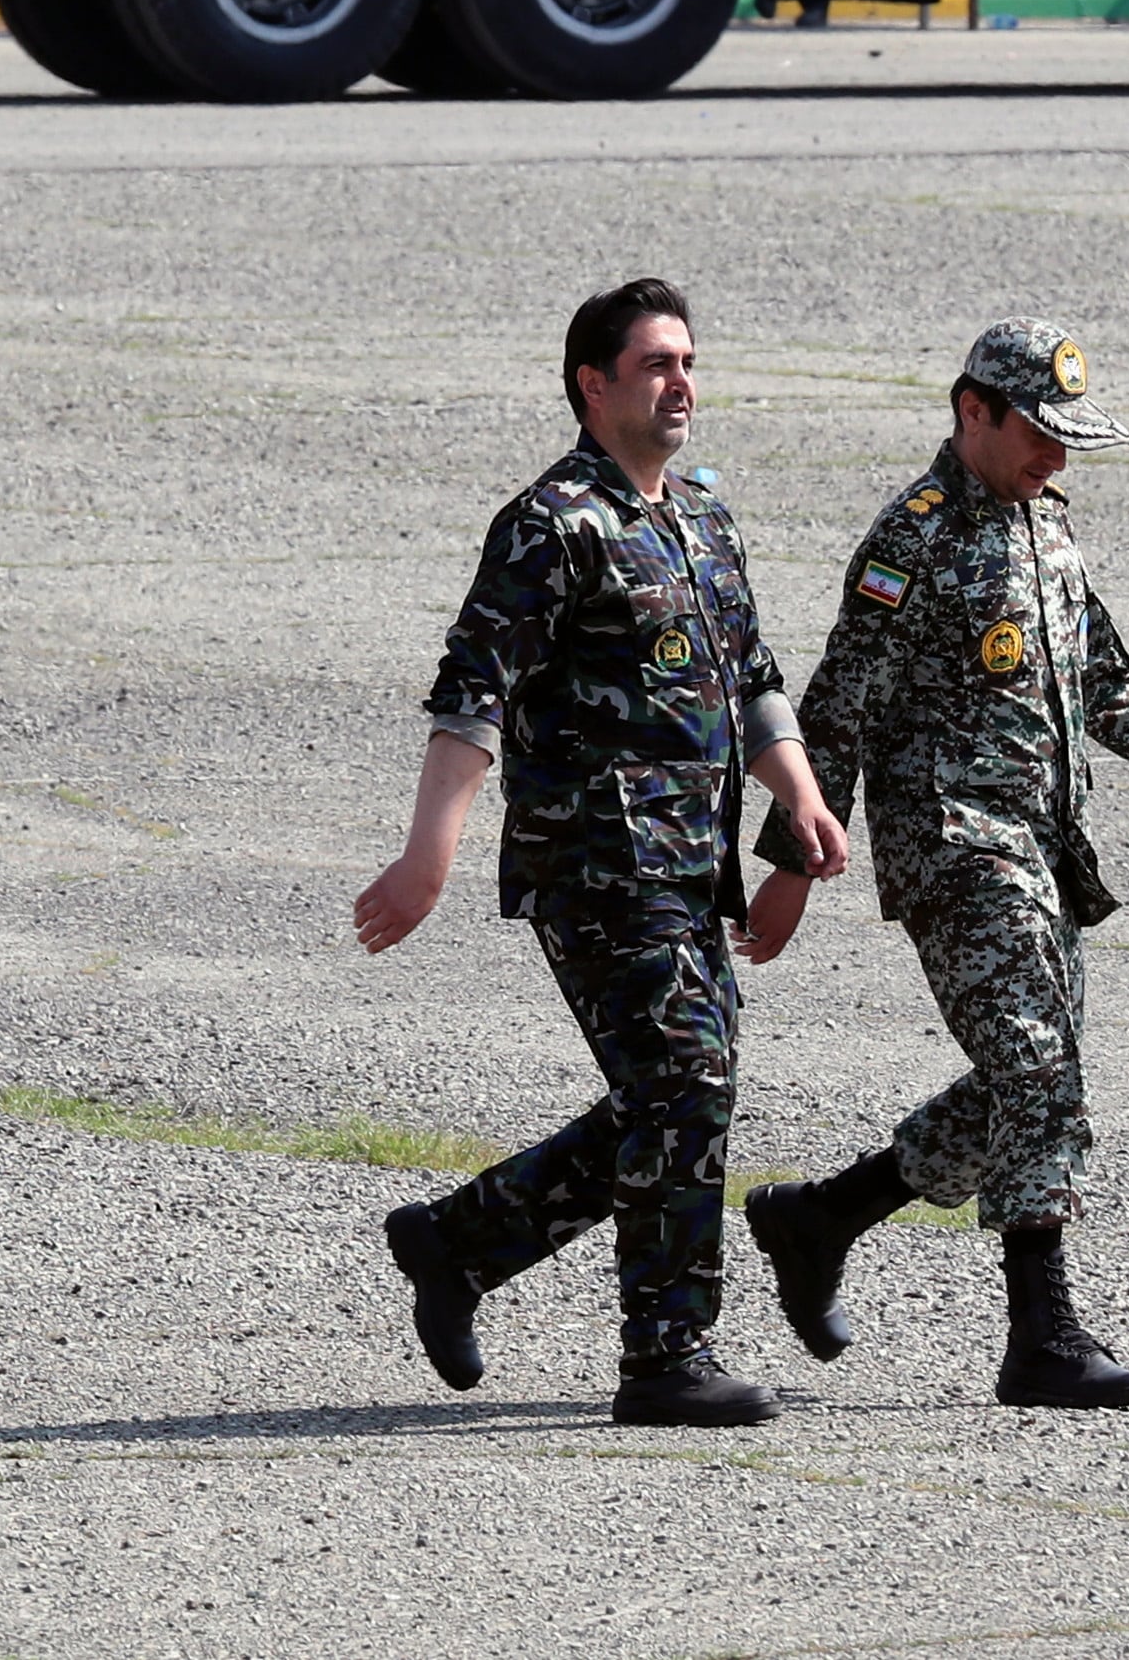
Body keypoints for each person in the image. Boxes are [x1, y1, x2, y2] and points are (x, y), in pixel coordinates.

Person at [353, 278, 853, 1427]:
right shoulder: (550, 525)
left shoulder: (702, 517)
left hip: (690, 865)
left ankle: (459, 1242)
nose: (681, 385)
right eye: (656, 366)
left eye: (689, 363)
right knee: (685, 1079)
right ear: (594, 384)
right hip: (593, 863)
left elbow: (754, 677)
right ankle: (666, 1358)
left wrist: (802, 798)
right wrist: (429, 855)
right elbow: (472, 695)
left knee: (676, 1092)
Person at [740, 320, 1129, 1410]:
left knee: (1034, 1075)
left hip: (1045, 842)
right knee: (1037, 1065)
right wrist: (793, 861)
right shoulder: (915, 539)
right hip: (955, 844)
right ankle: (1042, 1335)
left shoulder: (1047, 527)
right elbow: (840, 702)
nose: (1057, 458)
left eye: (1069, 439)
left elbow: (1106, 681)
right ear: (970, 410)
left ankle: (822, 1218)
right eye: (1039, 433)